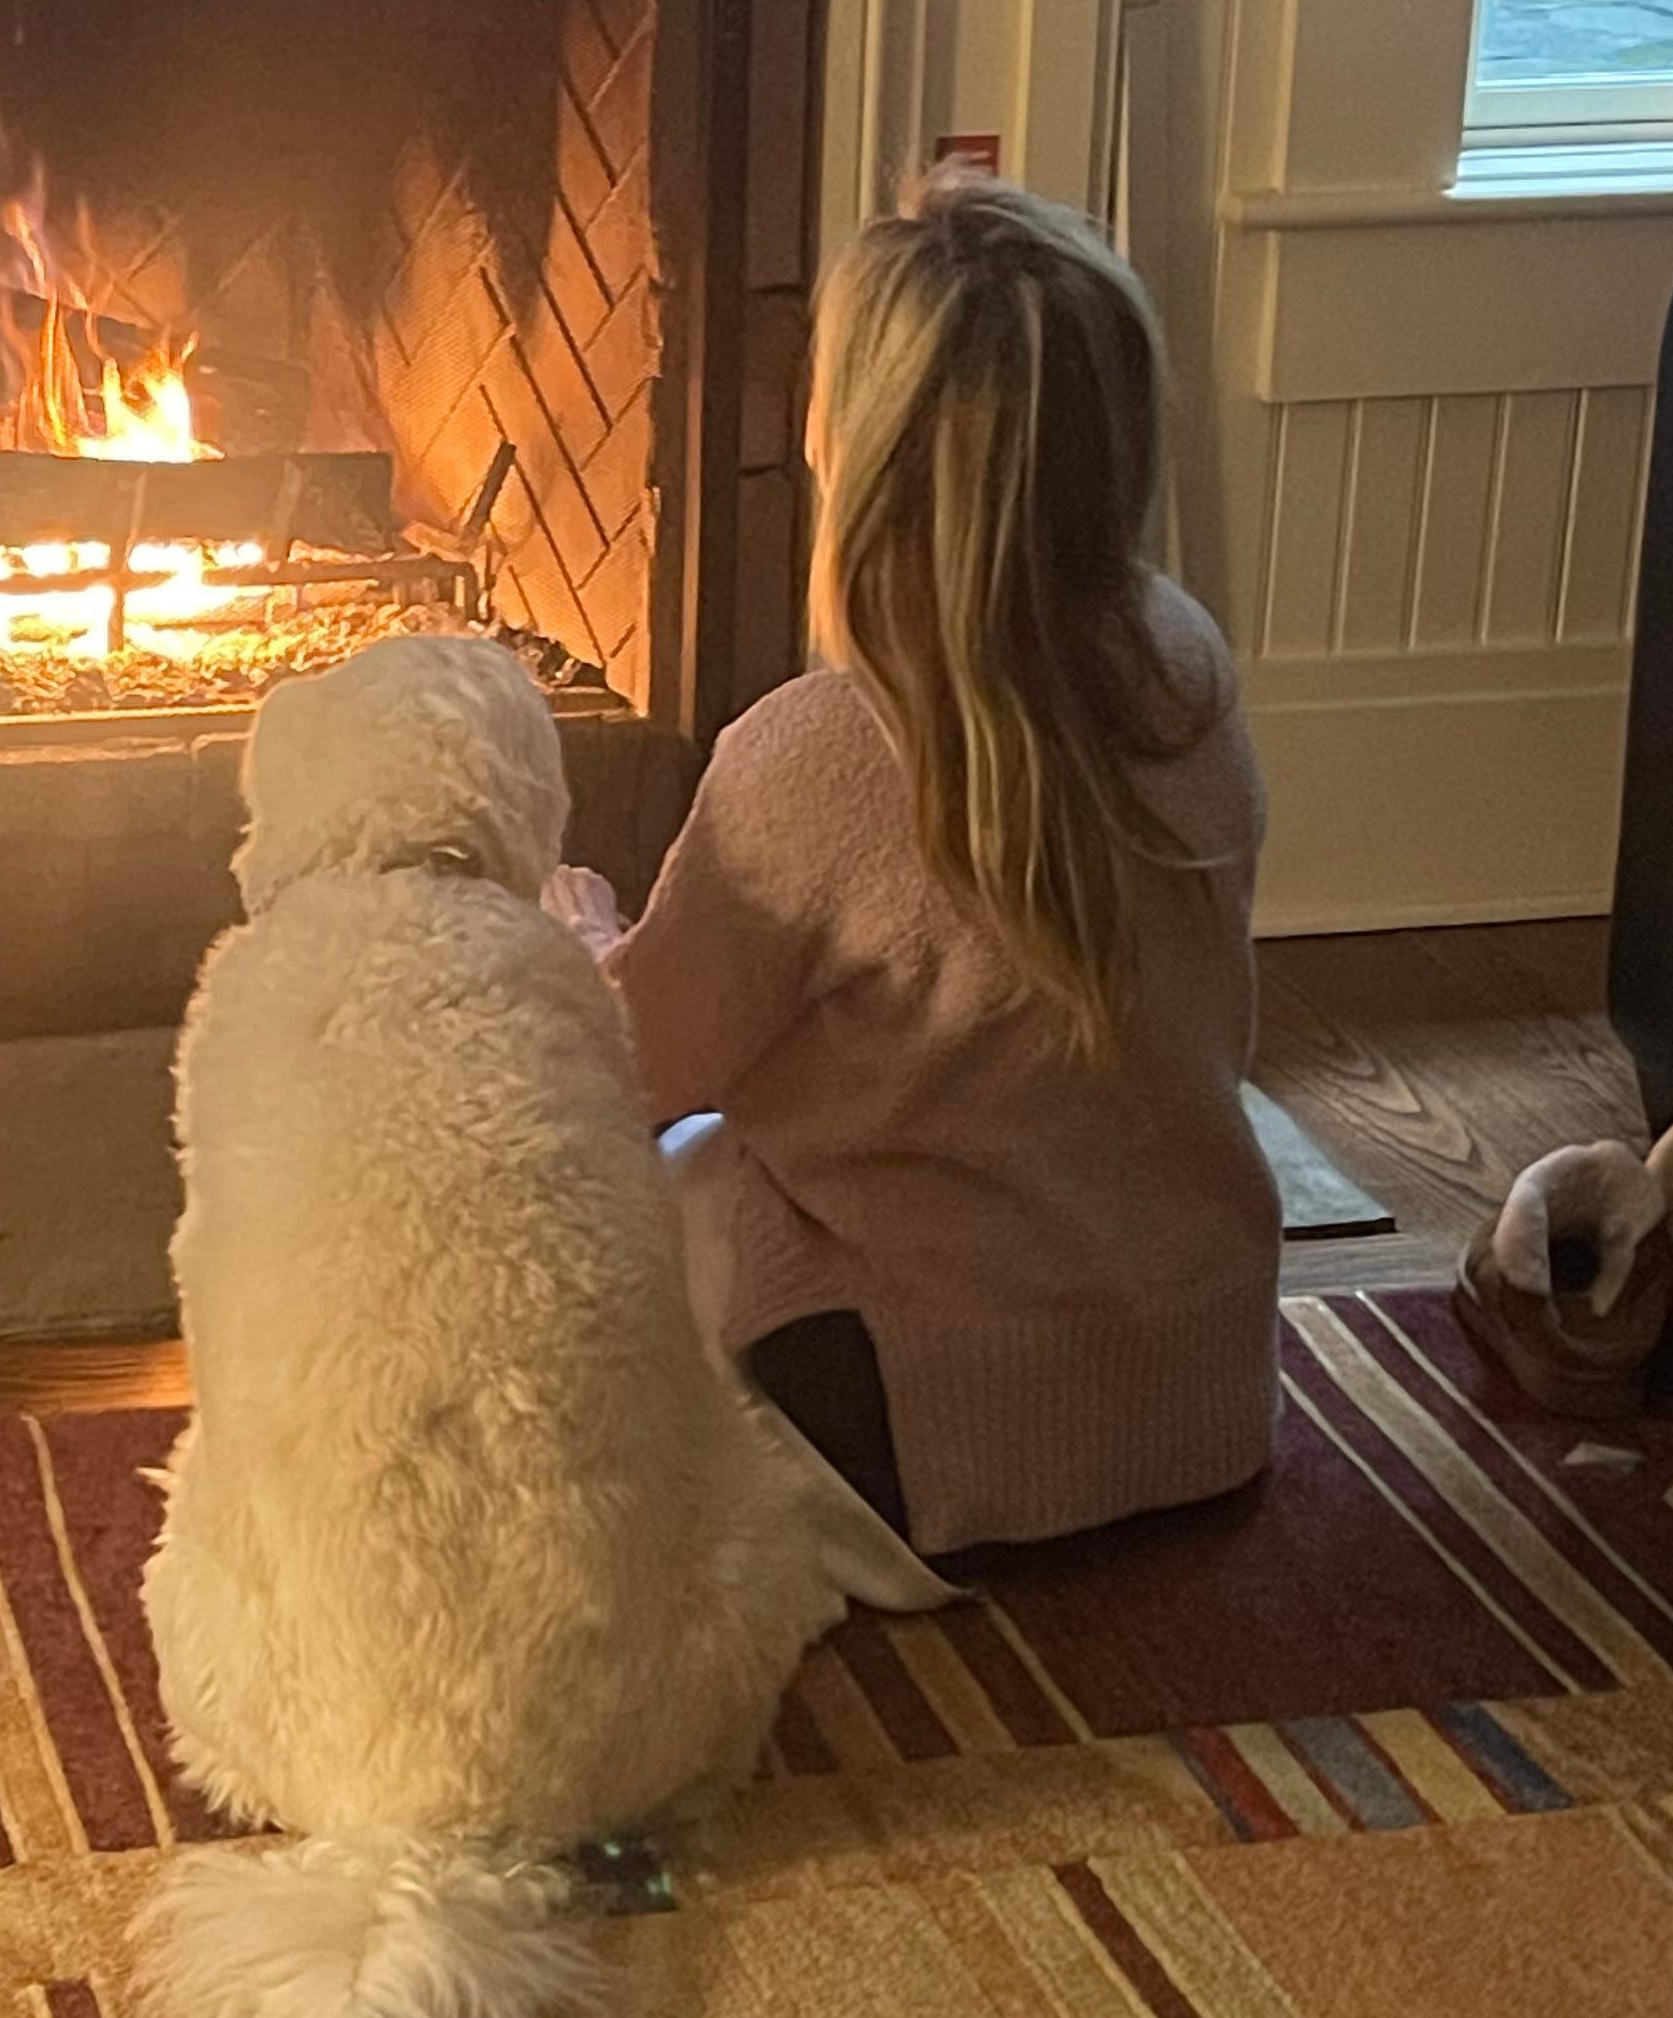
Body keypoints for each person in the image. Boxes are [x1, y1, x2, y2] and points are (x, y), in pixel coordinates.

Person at [547, 173, 1280, 1558]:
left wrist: (571, 935)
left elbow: (623, 1073)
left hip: (934, 1440)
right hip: (1203, 1398)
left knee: (660, 1172)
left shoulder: (818, 758)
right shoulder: (1188, 666)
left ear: (859, 450)